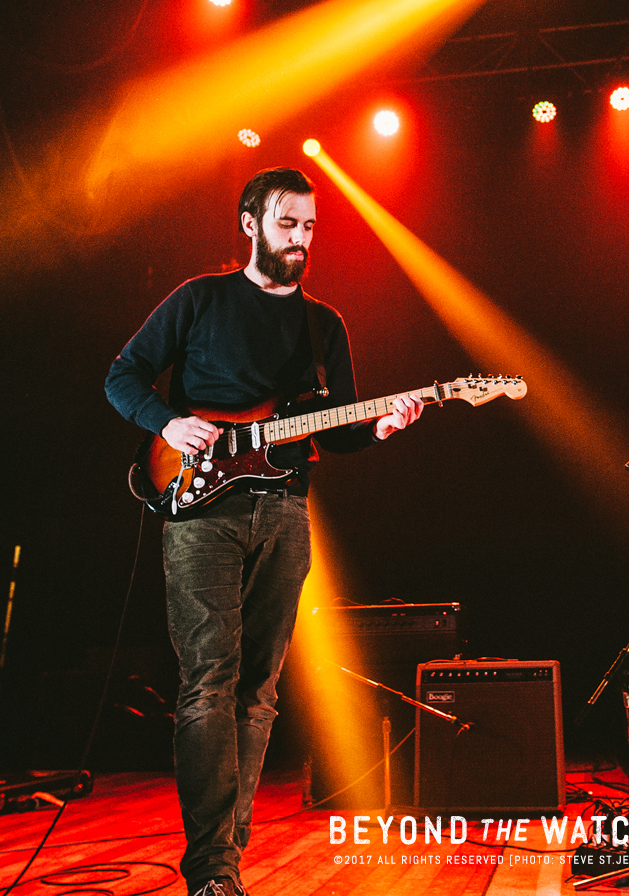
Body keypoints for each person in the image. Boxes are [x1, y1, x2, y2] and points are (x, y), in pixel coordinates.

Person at [105, 168, 423, 896]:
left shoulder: (325, 324)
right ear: (250, 222)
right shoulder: (199, 299)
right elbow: (122, 376)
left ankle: (226, 862)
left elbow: (334, 431)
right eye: (288, 225)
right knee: (207, 683)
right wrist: (168, 421)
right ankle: (212, 871)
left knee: (261, 692)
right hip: (199, 508)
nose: (301, 240)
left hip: (285, 511)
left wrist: (376, 425)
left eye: (310, 228)